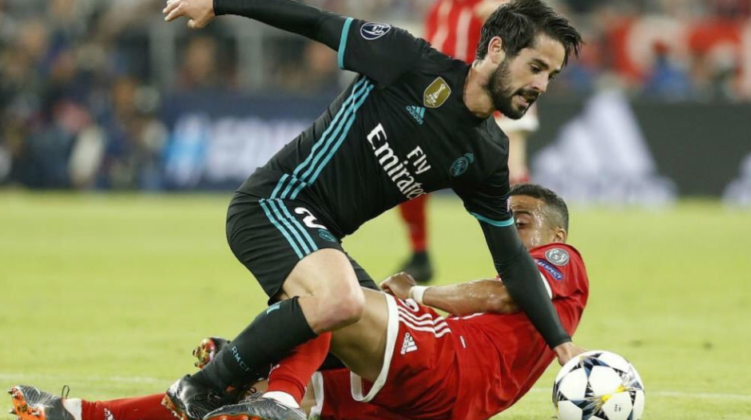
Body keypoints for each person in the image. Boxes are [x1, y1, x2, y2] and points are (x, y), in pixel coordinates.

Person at [159, 0, 584, 419]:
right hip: (275, 202)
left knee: (381, 346)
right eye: (535, 67)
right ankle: (205, 385)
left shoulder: (487, 153)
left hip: (323, 235)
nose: (542, 86)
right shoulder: (409, 60)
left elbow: (511, 259)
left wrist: (561, 343)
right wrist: (219, 3)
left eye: (550, 75)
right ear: (495, 49)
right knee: (340, 300)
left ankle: (243, 366)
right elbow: (316, 22)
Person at [9, 184, 589, 420]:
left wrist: (419, 292)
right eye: (506, 222)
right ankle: (81, 413)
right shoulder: (527, 291)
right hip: (430, 401)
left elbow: (510, 292)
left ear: (556, 233)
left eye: (523, 222)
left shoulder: (563, 259)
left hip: (448, 363)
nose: (512, 233)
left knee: (329, 295)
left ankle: (273, 386)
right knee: (234, 398)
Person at [397, 0, 541, 283]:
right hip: (446, 98)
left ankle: (534, 256)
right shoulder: (442, 7)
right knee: (407, 168)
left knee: (511, 174)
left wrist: (507, 14)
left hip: (497, 91)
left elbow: (524, 23)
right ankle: (419, 252)